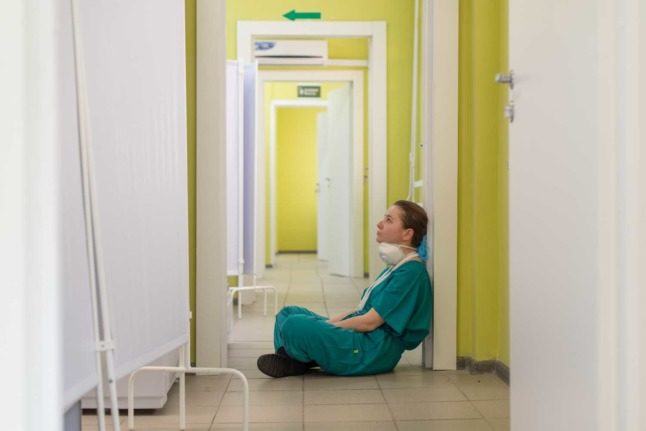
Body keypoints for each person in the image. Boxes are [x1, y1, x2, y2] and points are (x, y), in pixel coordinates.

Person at [257, 200, 433, 377]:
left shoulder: (410, 273)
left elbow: (369, 322)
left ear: (407, 234)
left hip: (372, 350)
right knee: (287, 314)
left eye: (388, 220)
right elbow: (360, 311)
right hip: (363, 339)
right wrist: (326, 326)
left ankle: (295, 359)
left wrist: (329, 328)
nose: (379, 224)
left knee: (294, 325)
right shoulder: (396, 267)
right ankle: (296, 360)